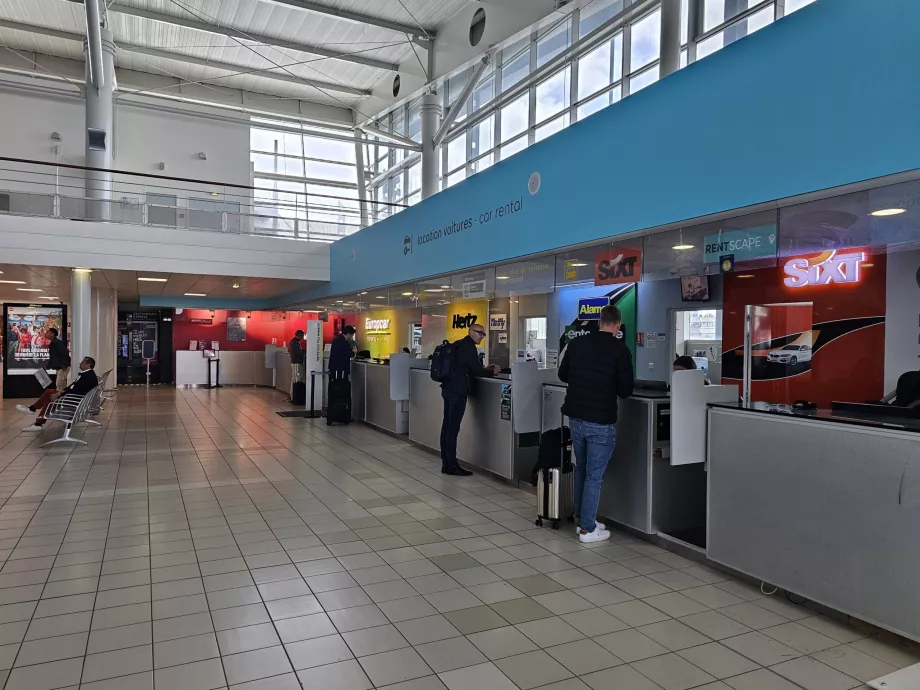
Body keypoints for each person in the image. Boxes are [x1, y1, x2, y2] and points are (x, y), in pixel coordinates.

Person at [558, 306, 634, 543]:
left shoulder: (577, 344)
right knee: (594, 476)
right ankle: (588, 529)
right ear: (617, 326)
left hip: (576, 419)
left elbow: (563, 375)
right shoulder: (620, 350)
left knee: (582, 469)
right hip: (600, 421)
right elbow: (625, 390)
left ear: (599, 322)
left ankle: (583, 518)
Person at [440, 325, 501, 476]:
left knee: (447, 427)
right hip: (457, 391)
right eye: (480, 333)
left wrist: (485, 368)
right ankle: (452, 465)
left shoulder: (460, 344)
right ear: (471, 332)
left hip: (448, 388)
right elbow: (477, 371)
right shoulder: (468, 347)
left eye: (484, 334)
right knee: (453, 429)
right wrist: (491, 371)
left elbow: (469, 367)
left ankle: (446, 463)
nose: (482, 336)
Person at [17, 356, 98, 431]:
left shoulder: (87, 376)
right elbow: (73, 387)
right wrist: (61, 392)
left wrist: (60, 395)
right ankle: (33, 411)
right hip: (74, 397)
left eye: (82, 362)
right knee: (49, 392)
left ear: (87, 365)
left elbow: (76, 391)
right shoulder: (88, 375)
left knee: (50, 396)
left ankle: (37, 422)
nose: (80, 363)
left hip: (74, 400)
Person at [46, 327, 71, 393]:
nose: (46, 334)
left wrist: (64, 365)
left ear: (52, 334)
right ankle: (61, 399)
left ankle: (60, 400)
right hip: (60, 367)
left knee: (60, 385)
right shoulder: (53, 343)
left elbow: (65, 353)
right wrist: (48, 366)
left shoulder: (57, 343)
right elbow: (54, 356)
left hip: (62, 367)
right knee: (61, 385)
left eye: (47, 332)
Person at [289, 329, 305, 399]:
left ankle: (293, 395)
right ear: (299, 335)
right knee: (296, 379)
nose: (302, 338)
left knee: (295, 378)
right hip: (296, 363)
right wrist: (304, 351)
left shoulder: (294, 342)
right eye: (302, 336)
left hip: (295, 363)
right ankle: (293, 396)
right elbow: (299, 353)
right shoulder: (295, 343)